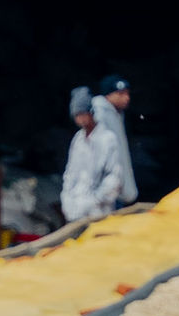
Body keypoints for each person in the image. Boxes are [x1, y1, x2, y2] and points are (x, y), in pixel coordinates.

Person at [60, 84, 132, 226]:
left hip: (100, 212)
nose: (80, 119)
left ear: (90, 112)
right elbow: (70, 173)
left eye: (82, 114)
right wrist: (67, 200)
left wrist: (95, 200)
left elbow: (114, 176)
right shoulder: (77, 140)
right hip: (76, 212)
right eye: (77, 115)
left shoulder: (107, 138)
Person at [94, 75, 141, 204]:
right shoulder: (99, 114)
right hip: (108, 190)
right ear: (108, 95)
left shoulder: (116, 114)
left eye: (127, 94)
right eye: (121, 94)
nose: (127, 98)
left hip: (117, 187)